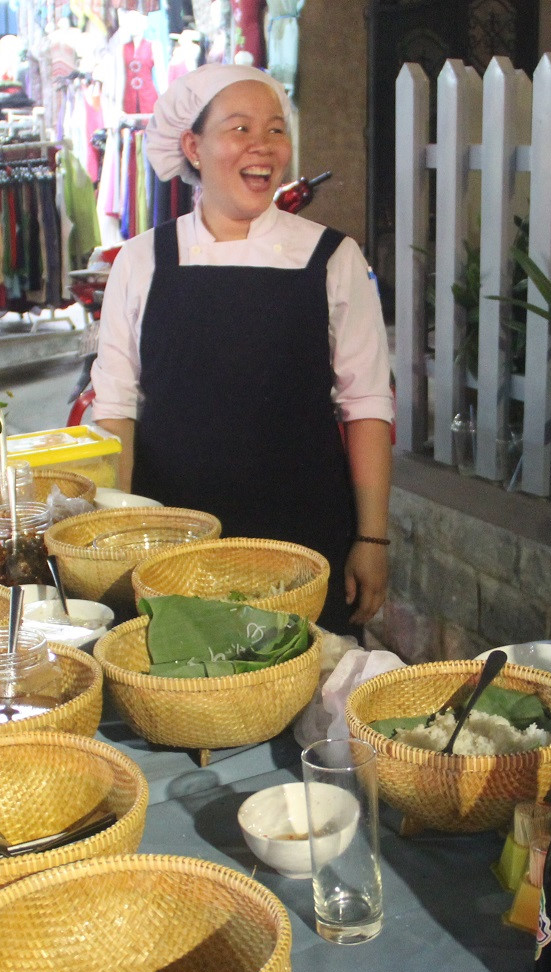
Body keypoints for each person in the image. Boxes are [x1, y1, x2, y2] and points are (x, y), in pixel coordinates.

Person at [89, 65, 393, 635]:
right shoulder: (142, 259)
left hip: (304, 536)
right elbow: (116, 408)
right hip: (174, 538)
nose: (264, 146)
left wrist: (372, 536)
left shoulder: (333, 257)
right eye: (240, 128)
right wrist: (119, 536)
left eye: (276, 130)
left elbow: (367, 404)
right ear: (192, 147)